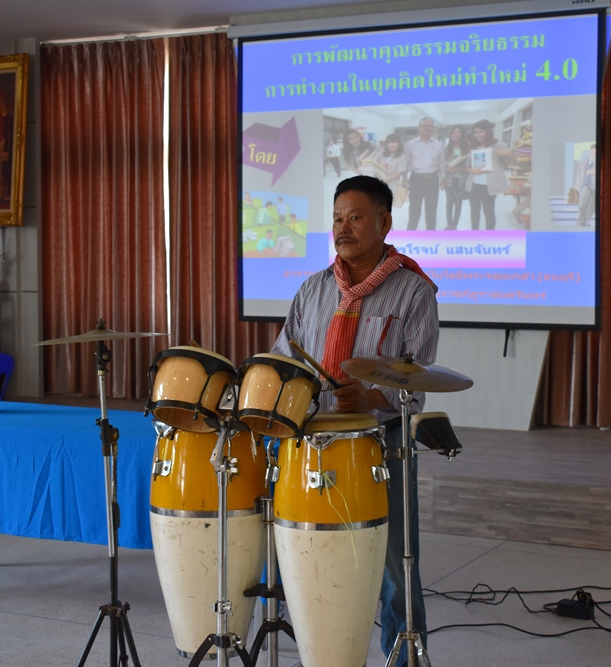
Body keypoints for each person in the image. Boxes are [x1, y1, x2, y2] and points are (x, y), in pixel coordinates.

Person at [271, 175, 438, 666]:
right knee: (307, 552)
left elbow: (416, 384)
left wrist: (370, 395)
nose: (343, 228)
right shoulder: (314, 289)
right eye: (337, 218)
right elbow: (284, 361)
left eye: (356, 217)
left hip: (380, 444)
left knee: (395, 564)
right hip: (310, 445)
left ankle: (403, 657)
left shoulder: (414, 292)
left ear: (385, 222)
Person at [464, 119, 513, 230]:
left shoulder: (498, 145)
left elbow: (513, 163)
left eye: (481, 131)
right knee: (474, 212)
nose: (478, 135)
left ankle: (489, 236)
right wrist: (472, 171)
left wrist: (509, 153)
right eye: (475, 132)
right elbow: (466, 167)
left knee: (488, 211)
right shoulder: (473, 147)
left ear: (488, 131)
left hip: (489, 186)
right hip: (474, 185)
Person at [404, 117, 445, 230]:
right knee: (414, 208)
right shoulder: (410, 144)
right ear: (419, 128)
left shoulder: (438, 145)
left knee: (431, 208)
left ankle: (430, 234)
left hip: (432, 179)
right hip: (416, 179)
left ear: (432, 128)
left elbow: (441, 162)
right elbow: (405, 163)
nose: (426, 128)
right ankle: (411, 232)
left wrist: (443, 178)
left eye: (429, 126)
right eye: (423, 126)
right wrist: (405, 178)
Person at [443, 125, 469, 230]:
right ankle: (449, 223)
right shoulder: (446, 148)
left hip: (462, 180)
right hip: (449, 179)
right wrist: (447, 168)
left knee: (458, 202)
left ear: (462, 134)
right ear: (451, 134)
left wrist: (458, 168)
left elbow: (470, 165)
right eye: (453, 132)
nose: (456, 134)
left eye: (458, 132)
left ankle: (455, 224)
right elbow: (441, 164)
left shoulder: (467, 148)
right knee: (449, 201)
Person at [577, 144, 597, 226]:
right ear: (590, 150)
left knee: (592, 205)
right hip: (584, 185)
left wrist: (593, 171)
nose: (594, 153)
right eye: (592, 151)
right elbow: (578, 174)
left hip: (595, 186)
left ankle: (585, 221)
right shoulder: (583, 161)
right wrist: (577, 185)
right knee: (582, 203)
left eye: (596, 151)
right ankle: (581, 220)